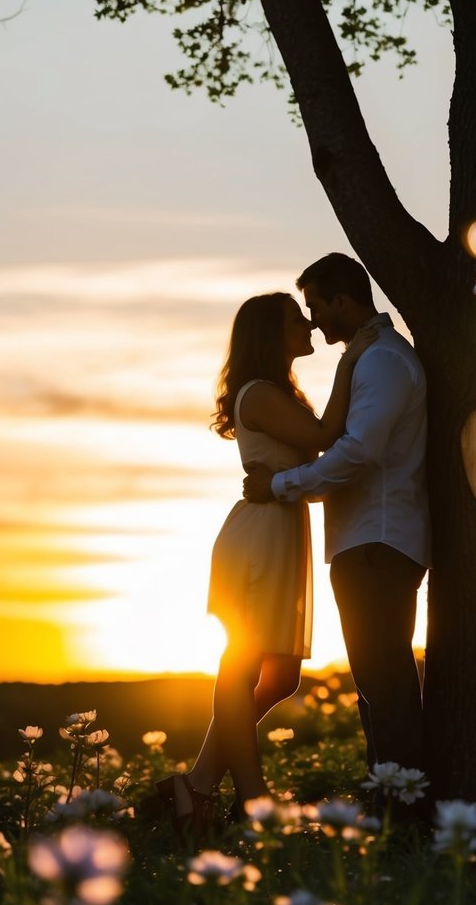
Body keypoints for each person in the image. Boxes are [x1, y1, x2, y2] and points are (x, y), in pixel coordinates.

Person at [154, 290, 376, 838]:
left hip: (281, 532)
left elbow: (320, 456)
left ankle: (199, 782)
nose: (307, 323)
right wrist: (352, 358)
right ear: (269, 335)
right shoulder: (257, 395)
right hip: (256, 538)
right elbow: (327, 438)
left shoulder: (279, 393)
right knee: (243, 662)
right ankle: (253, 798)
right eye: (294, 319)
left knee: (280, 677)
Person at [243, 253, 430, 778]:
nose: (313, 319)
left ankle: (402, 803)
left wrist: (280, 486)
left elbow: (358, 453)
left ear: (344, 301)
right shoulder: (371, 360)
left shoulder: (382, 362)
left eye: (317, 306)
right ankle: (388, 794)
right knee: (376, 682)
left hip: (377, 541)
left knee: (384, 681)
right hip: (369, 540)